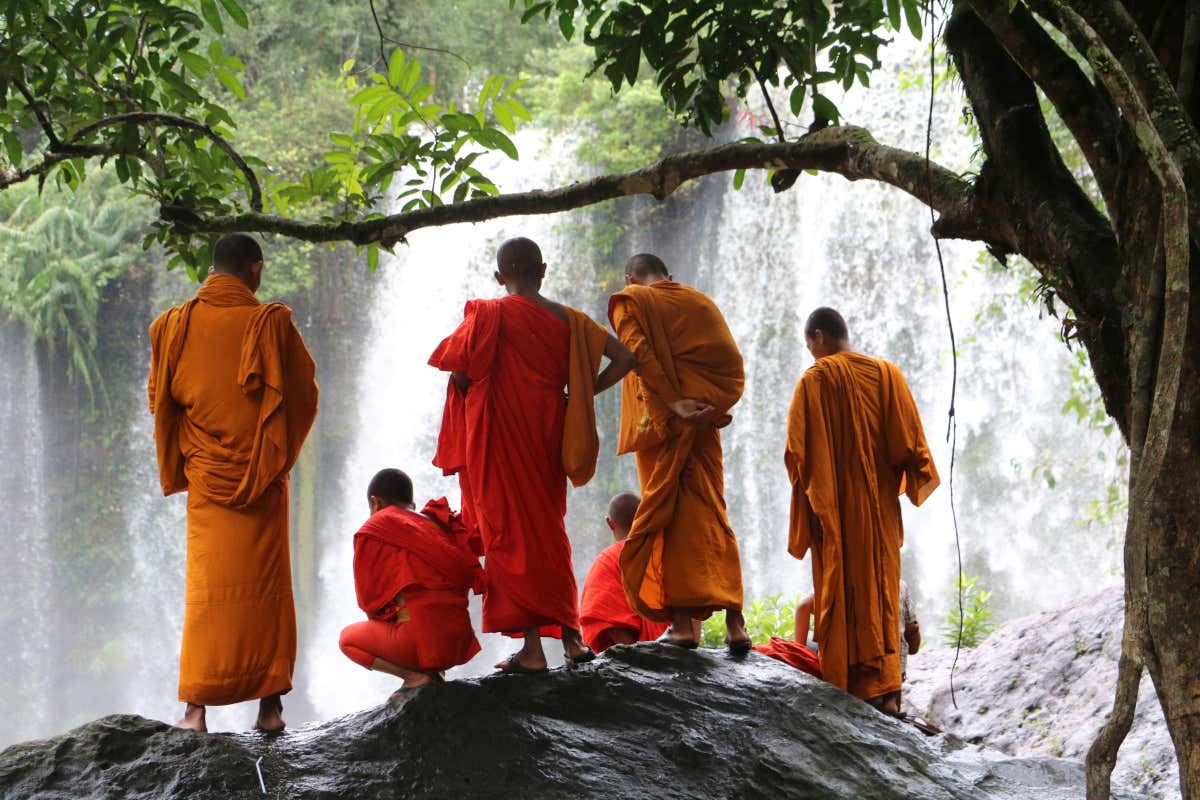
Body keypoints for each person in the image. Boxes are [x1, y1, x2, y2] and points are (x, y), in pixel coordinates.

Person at [429, 236, 636, 673]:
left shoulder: (488, 314)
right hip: (546, 433)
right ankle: (573, 639)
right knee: (547, 530)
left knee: (510, 535)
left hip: (500, 438)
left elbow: (461, 376)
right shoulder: (574, 322)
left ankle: (532, 650)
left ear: (500, 276)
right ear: (543, 271)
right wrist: (578, 392)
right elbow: (625, 357)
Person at [148, 233, 318, 733]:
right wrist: (276, 457)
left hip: (207, 478)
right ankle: (270, 709)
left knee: (207, 590)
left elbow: (162, 402)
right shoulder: (273, 324)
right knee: (266, 590)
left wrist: (192, 448)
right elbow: (305, 397)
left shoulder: (173, 326)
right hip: (262, 479)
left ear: (212, 269)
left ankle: (196, 711)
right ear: (255, 270)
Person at [784, 307, 939, 716]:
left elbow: (798, 456)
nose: (812, 355)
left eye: (809, 346)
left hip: (836, 515)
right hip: (881, 515)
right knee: (883, 594)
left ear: (818, 337)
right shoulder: (888, 375)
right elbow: (912, 449)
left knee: (845, 593)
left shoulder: (815, 380)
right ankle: (888, 692)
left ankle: (855, 689)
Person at [608, 253, 749, 651]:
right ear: (670, 276)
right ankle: (736, 623)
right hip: (703, 424)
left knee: (669, 516)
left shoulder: (630, 302)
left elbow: (637, 354)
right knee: (712, 512)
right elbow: (730, 364)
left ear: (629, 277)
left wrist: (674, 403)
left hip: (665, 426)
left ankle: (683, 624)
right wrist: (712, 404)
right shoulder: (700, 302)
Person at [339, 469, 484, 699]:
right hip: (458, 641)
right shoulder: (436, 523)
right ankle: (434, 672)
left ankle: (414, 676)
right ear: (412, 504)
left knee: (347, 639)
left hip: (419, 645)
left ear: (375, 503)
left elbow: (369, 601)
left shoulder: (376, 527)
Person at [579, 492, 670, 653]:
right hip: (672, 650)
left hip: (634, 658)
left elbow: (606, 617)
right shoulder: (664, 554)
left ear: (610, 523)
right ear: (644, 517)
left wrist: (636, 660)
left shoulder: (607, 560)